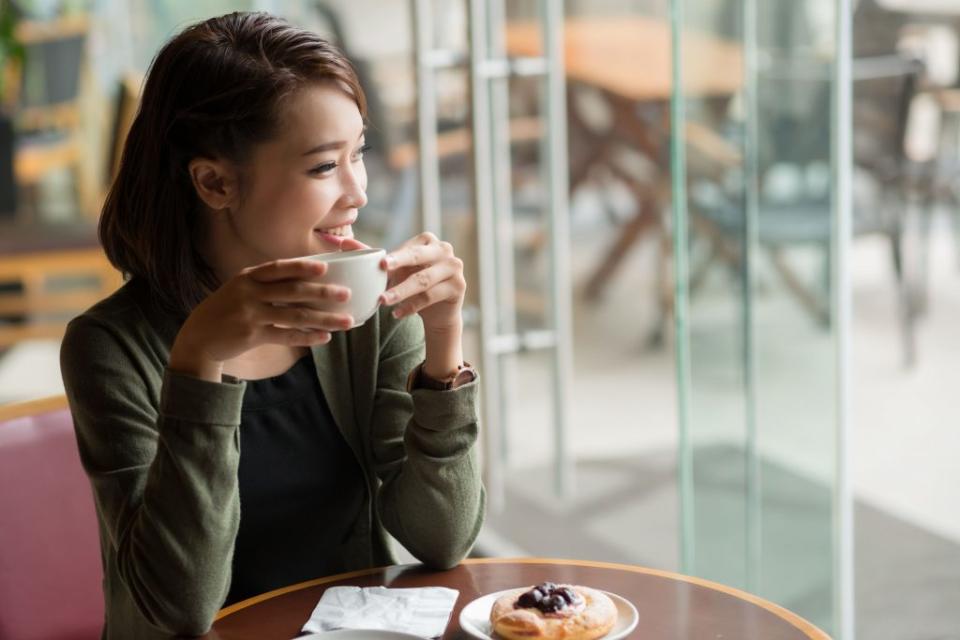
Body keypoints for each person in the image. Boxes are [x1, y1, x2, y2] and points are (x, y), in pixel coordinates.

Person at [60, 12, 484, 639]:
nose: (357, 192)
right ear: (214, 182)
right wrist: (199, 361)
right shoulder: (112, 347)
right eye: (322, 167)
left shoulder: (364, 311)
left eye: (357, 154)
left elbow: (442, 539)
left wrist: (444, 348)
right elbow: (180, 606)